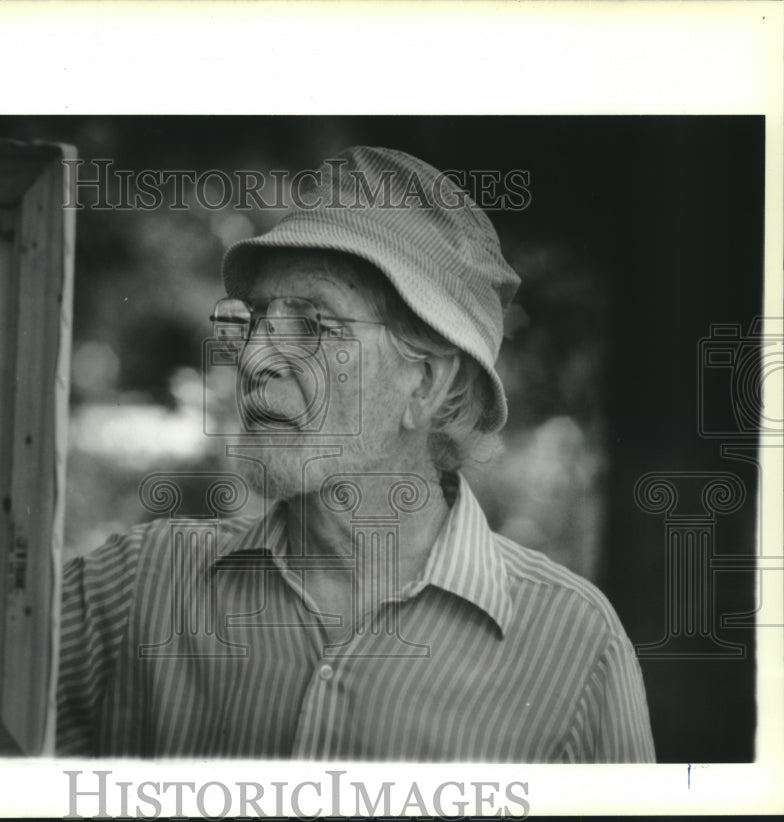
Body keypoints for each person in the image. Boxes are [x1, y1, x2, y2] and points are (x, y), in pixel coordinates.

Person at [55, 146, 655, 761]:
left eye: (313, 325)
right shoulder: (133, 590)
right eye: (253, 319)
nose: (255, 360)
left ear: (426, 384)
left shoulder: (575, 649)